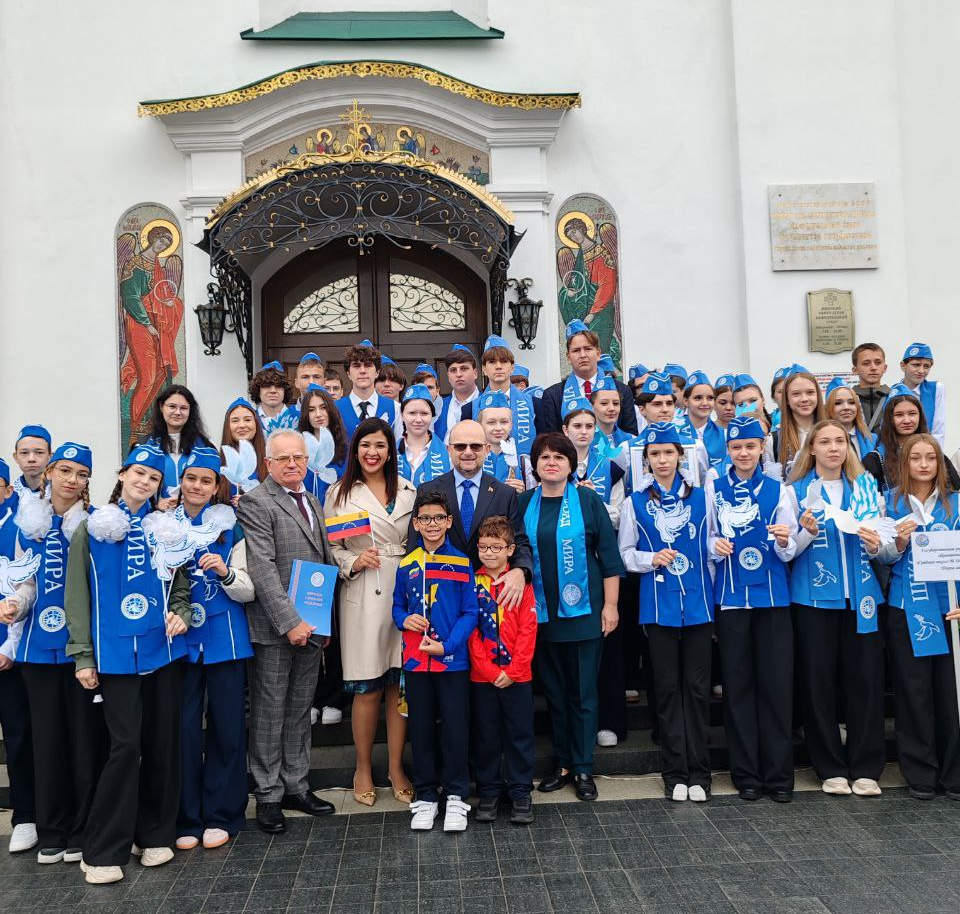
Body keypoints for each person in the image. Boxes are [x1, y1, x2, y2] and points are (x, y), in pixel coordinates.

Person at [64, 441, 191, 884]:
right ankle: (101, 849)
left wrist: (183, 612)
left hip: (162, 652)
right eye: (138, 473)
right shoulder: (91, 527)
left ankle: (154, 833)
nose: (144, 481)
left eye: (153, 478)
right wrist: (82, 654)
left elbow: (180, 584)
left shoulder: (165, 528)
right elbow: (75, 596)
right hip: (113, 656)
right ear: (122, 474)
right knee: (124, 748)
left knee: (161, 742)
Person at [2, 443, 105, 864]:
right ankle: (52, 828)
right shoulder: (23, 525)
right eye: (65, 470)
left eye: (81, 473)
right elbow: (20, 583)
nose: (72, 480)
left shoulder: (96, 524)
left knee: (85, 738)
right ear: (49, 473)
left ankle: (82, 827)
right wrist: (14, 608)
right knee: (46, 740)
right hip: (35, 649)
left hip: (80, 650)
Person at [237, 429, 337, 834]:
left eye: (299, 457)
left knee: (299, 710)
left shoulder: (311, 498)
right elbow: (262, 567)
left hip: (312, 626)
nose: (293, 464)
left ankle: (297, 784)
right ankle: (268, 794)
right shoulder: (257, 502)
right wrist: (291, 622)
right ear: (268, 464)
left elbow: (321, 560)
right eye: (284, 459)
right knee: (269, 712)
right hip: (276, 628)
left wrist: (321, 621)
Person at [522, 432, 624, 801]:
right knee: (555, 693)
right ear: (534, 464)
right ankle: (562, 763)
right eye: (544, 456)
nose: (551, 462)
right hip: (541, 616)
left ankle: (583, 767)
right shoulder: (522, 503)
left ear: (571, 463)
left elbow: (610, 559)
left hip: (585, 616)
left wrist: (610, 606)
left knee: (583, 693)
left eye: (559, 456)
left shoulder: (587, 499)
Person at [789, 420, 887, 797]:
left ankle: (866, 767)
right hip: (812, 599)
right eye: (824, 442)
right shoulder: (796, 492)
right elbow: (786, 553)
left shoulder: (865, 488)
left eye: (840, 441)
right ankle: (829, 765)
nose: (833, 448)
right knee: (818, 684)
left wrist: (879, 545)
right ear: (811, 449)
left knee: (865, 682)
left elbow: (887, 546)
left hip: (861, 597)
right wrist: (804, 532)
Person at [618, 423, 714, 802]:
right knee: (667, 689)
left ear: (680, 456)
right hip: (657, 607)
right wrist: (649, 558)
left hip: (699, 603)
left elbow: (711, 545)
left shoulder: (704, 497)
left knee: (697, 689)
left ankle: (700, 773)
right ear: (646, 461)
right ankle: (675, 773)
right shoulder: (635, 502)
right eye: (654, 455)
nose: (662, 460)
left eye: (668, 453)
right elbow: (625, 553)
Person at [705, 416, 798, 802]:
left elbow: (790, 547)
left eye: (751, 446)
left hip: (773, 600)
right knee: (738, 687)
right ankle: (746, 774)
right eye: (737, 447)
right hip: (730, 600)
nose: (744, 453)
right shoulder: (714, 490)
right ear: (727, 450)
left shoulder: (780, 490)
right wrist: (715, 547)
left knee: (776, 687)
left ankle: (778, 776)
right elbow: (707, 537)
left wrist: (782, 540)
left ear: (763, 448)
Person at [325, 418, 416, 808]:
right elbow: (329, 548)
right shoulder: (340, 494)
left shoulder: (410, 490)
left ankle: (396, 767)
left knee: (399, 688)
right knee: (367, 687)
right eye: (365, 446)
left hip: (406, 591)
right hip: (364, 590)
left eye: (380, 445)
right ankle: (362, 766)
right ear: (355, 450)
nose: (372, 453)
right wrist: (352, 560)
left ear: (390, 450)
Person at [170, 446, 255, 851]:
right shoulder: (161, 525)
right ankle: (185, 814)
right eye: (192, 479)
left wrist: (226, 573)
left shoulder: (231, 525)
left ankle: (222, 812)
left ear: (217, 485)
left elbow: (249, 586)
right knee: (183, 729)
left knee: (227, 728)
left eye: (206, 480)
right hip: (178, 639)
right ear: (181, 481)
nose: (198, 487)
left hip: (226, 638)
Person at [392, 490, 479, 831]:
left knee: (456, 728)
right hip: (416, 663)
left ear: (449, 522)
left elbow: (470, 612)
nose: (432, 524)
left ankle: (457, 796)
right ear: (416, 523)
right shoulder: (406, 564)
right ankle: (426, 795)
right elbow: (398, 606)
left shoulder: (460, 562)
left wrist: (449, 646)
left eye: (438, 518)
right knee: (422, 728)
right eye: (425, 518)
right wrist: (404, 620)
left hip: (451, 662)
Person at [880, 433, 960, 800]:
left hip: (951, 612)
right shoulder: (891, 502)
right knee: (914, 694)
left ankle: (954, 772)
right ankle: (921, 773)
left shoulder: (956, 504)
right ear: (906, 462)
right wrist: (896, 542)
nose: (925, 464)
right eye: (917, 458)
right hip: (906, 607)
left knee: (949, 694)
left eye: (932, 458)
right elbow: (880, 559)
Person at [410, 420, 534, 595]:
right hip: (440, 592)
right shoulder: (428, 490)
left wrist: (521, 571)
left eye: (475, 446)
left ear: (487, 449)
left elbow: (519, 542)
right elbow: (415, 544)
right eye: (460, 446)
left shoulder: (504, 494)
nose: (468, 452)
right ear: (449, 450)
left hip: (491, 593)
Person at [469, 515, 538, 825]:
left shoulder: (520, 584)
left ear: (511, 549)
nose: (490, 553)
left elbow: (528, 630)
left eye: (497, 547)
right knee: (486, 737)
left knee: (519, 735)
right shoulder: (472, 583)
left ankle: (521, 791)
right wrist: (486, 669)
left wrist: (514, 669)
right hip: (482, 677)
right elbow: (471, 633)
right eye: (484, 547)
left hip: (517, 677)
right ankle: (490, 791)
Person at [0, 450, 39, 857]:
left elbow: (23, 589)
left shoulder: (20, 525)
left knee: (20, 735)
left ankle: (26, 815)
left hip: (9, 647)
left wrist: (7, 643)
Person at [537, 320, 637, 435]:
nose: (583, 355)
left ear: (598, 353)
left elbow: (630, 434)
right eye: (576, 350)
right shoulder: (553, 395)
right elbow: (551, 439)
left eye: (588, 349)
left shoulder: (622, 390)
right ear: (568, 357)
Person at [862, 385, 960, 494]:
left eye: (912, 413)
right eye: (899, 415)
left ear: (920, 416)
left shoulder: (935, 453)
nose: (907, 420)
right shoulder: (875, 460)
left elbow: (953, 491)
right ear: (889, 419)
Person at [144, 385, 214, 508]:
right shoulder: (146, 445)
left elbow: (214, 485)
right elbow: (135, 486)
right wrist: (155, 504)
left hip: (195, 516)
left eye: (183, 408)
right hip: (157, 519)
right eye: (172, 406)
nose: (177, 412)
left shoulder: (205, 448)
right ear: (161, 407)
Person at [481, 335, 537, 456]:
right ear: (484, 369)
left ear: (512, 368)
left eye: (504, 361)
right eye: (492, 362)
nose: (498, 366)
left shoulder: (536, 404)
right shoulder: (471, 408)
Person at [335, 341, 403, 440]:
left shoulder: (395, 408)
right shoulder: (334, 409)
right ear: (348, 373)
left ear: (377, 372)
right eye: (356, 366)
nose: (362, 371)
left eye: (368, 365)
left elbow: (398, 449)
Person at [297, 384, 348, 503]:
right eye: (311, 410)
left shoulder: (346, 448)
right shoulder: (298, 448)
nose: (318, 414)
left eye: (323, 407)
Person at [397, 384, 451, 487]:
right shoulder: (390, 451)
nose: (418, 419)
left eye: (424, 413)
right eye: (412, 413)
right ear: (402, 415)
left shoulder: (447, 454)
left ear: (432, 416)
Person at [774, 369, 825, 475]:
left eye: (810, 392)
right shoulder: (775, 440)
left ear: (818, 395)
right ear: (787, 399)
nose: (804, 399)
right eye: (796, 394)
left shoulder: (834, 434)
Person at [219, 396, 269, 498]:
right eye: (235, 421)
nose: (241, 425)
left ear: (256, 424)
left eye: (247, 420)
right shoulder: (218, 463)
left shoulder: (270, 462)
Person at [477, 390, 525, 491]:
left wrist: (523, 493)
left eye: (504, 422)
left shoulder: (522, 459)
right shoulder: (471, 456)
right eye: (491, 422)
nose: (498, 428)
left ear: (511, 425)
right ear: (480, 425)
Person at [899, 342, 946, 445]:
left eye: (926, 366)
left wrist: (934, 457)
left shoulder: (936, 389)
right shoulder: (894, 392)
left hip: (927, 451)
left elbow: (938, 430)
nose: (921, 371)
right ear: (903, 366)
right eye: (916, 365)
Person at [434, 345, 481, 442]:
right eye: (453, 370)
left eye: (464, 368)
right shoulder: (438, 406)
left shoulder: (487, 403)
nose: (458, 374)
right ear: (448, 376)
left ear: (475, 373)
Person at [680, 371, 726, 470]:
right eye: (698, 398)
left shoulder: (724, 434)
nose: (705, 403)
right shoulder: (675, 430)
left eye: (710, 398)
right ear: (686, 401)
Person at [825, 376, 877, 459]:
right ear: (828, 408)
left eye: (851, 402)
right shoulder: (821, 442)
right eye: (838, 403)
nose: (846, 407)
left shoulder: (874, 440)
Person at [249, 361, 299, 434]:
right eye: (267, 385)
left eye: (278, 386)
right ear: (258, 390)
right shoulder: (249, 419)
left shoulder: (298, 417)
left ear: (285, 390)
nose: (273, 391)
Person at [851, 343, 889, 433]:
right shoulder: (848, 400)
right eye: (866, 363)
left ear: (884, 368)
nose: (873, 368)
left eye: (878, 362)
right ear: (855, 370)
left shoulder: (893, 398)